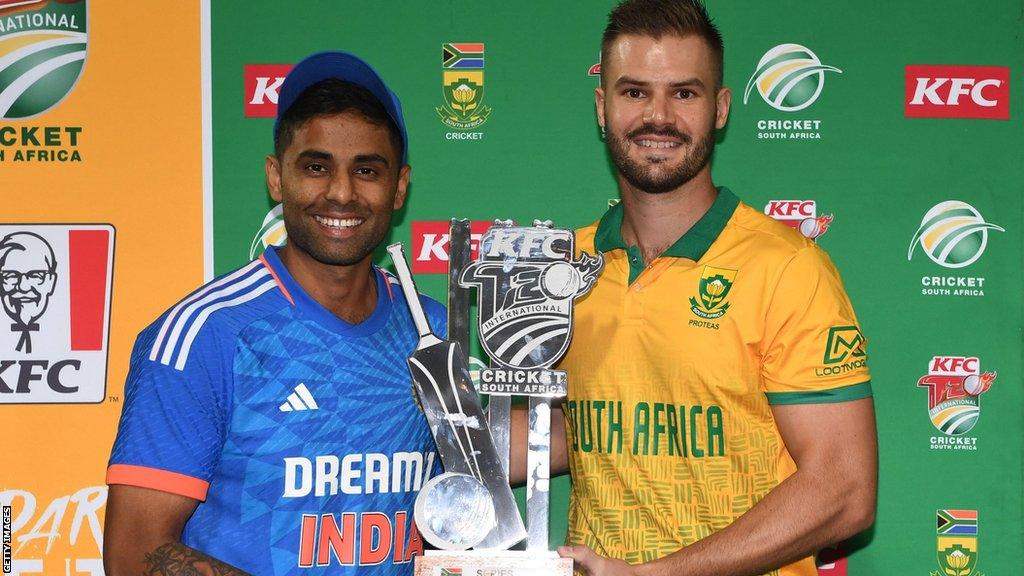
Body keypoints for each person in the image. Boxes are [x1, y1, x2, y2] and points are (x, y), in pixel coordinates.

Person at [512, 1, 877, 575]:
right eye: (634, 92)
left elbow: (844, 489)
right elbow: (571, 428)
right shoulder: (563, 269)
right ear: (602, 107)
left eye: (684, 93)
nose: (658, 117)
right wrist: (437, 422)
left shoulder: (787, 269)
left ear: (721, 108)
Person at [104, 52, 444, 576]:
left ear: (399, 187)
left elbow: (481, 448)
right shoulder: (205, 335)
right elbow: (134, 553)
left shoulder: (433, 330)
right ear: (276, 177)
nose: (341, 193)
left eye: (367, 171)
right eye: (315, 167)